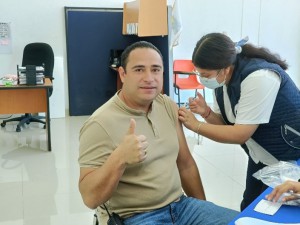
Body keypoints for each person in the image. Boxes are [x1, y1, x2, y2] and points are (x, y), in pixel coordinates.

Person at [78, 41, 238, 225]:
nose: (149, 78)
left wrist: (203, 209)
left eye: (155, 70)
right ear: (123, 74)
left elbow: (185, 164)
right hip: (135, 216)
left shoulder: (167, 105)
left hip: (181, 207)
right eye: (139, 70)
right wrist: (119, 158)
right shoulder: (99, 123)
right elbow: (89, 198)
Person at [178, 32, 300, 211]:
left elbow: (240, 134)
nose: (202, 78)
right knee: (249, 205)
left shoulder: (260, 77)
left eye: (205, 74)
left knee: (275, 209)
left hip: (289, 152)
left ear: (225, 68)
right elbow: (227, 126)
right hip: (260, 153)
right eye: (198, 73)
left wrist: (196, 125)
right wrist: (207, 113)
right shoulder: (221, 82)